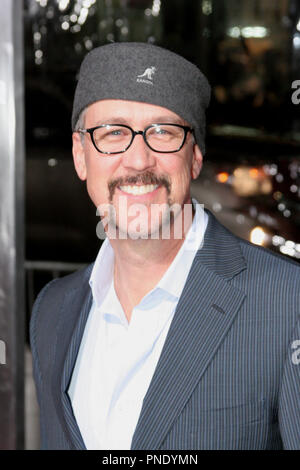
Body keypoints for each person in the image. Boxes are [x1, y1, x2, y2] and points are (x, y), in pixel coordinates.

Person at [30, 42, 300, 450]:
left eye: (163, 133)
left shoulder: (286, 303)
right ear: (81, 155)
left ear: (194, 158)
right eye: (114, 133)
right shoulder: (52, 311)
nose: (138, 160)